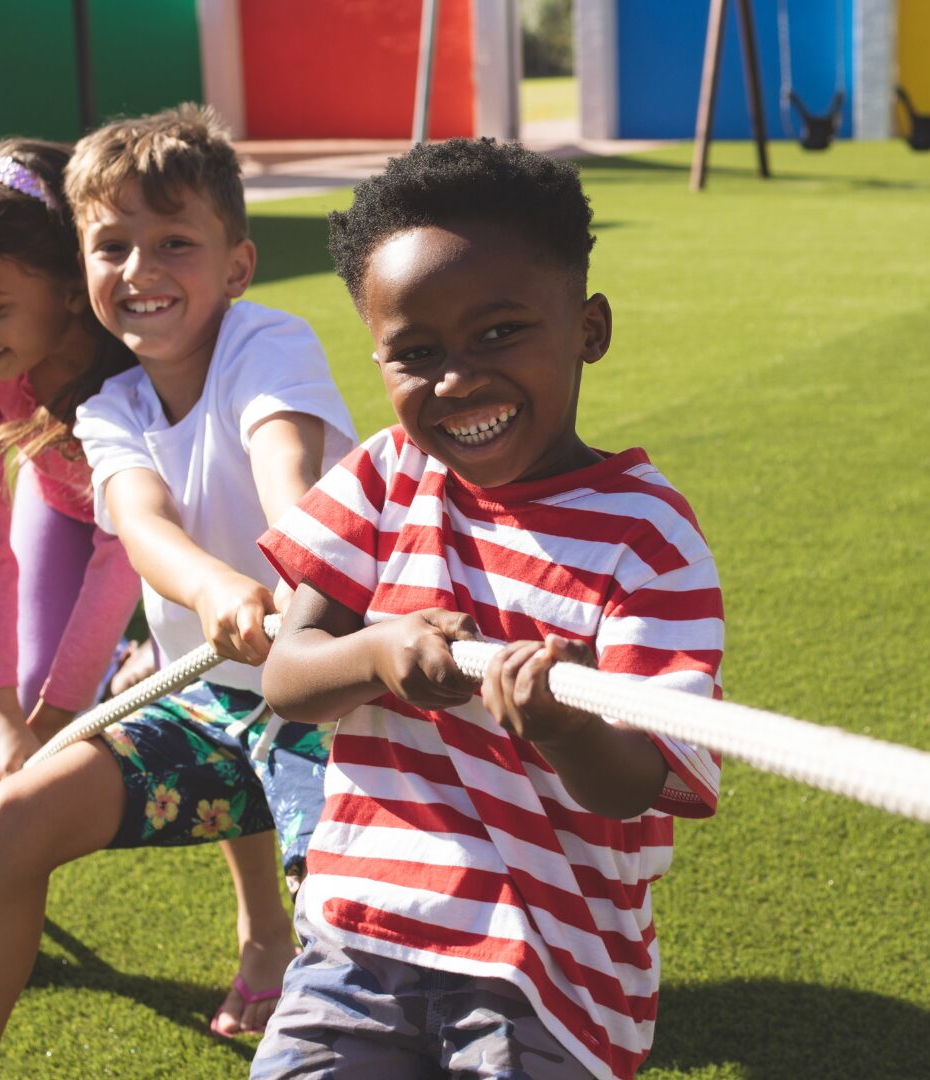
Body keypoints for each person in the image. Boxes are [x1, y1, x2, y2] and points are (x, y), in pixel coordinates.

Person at [251, 139, 726, 1080]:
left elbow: (636, 781)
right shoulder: (385, 477)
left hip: (547, 971)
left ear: (589, 327)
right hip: (359, 943)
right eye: (416, 353)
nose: (458, 380)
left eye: (500, 332)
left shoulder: (648, 536)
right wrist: (379, 651)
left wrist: (559, 723)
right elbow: (287, 678)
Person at [0, 105, 356, 1075]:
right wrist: (215, 590)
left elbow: (287, 468)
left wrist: (285, 576)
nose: (139, 270)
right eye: (111, 245)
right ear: (82, 266)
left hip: (335, 705)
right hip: (211, 706)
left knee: (350, 913)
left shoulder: (268, 345)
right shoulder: (110, 404)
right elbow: (143, 524)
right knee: (8, 822)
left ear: (236, 266)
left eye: (173, 243)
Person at [0, 140, 149, 1013]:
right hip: (61, 507)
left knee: (216, 713)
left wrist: (53, 723)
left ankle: (264, 934)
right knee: (0, 731)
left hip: (166, 535)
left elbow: (130, 547)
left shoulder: (133, 361)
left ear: (63, 285)